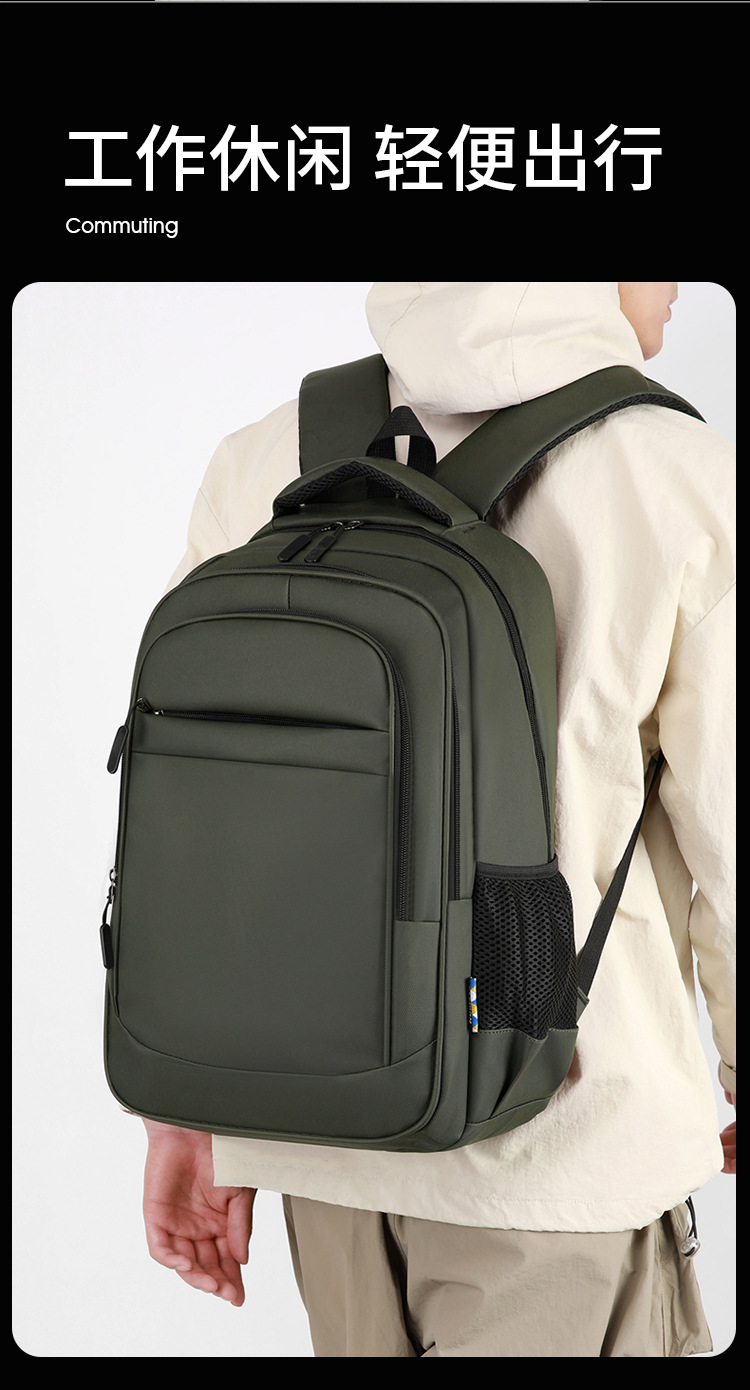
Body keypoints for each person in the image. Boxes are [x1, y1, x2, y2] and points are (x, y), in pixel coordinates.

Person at [137, 283, 735, 1357]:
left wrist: (188, 1111)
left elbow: (187, 816)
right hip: (560, 1151)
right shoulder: (679, 478)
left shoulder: (269, 452)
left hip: (321, 1138)